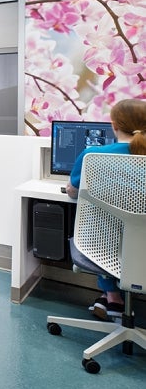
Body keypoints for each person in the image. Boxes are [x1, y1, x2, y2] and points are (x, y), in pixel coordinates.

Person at [65, 98, 146, 320]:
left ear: (114, 125)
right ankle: (114, 299)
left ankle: (111, 296)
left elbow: (73, 191)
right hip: (141, 247)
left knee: (106, 231)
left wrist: (70, 188)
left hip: (101, 247)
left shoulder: (94, 156)